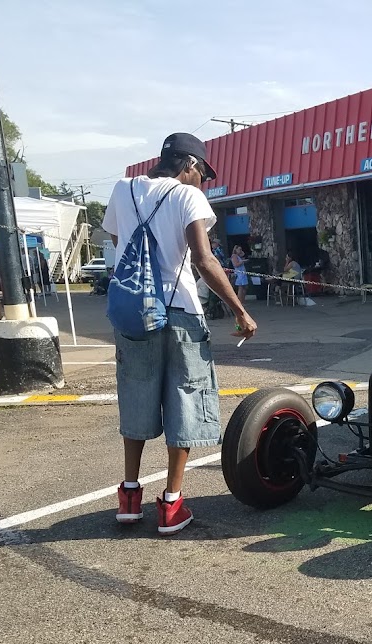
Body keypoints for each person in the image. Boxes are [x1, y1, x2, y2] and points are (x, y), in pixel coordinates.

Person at [102, 132, 257, 535]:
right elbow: (204, 260)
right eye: (202, 172)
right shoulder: (188, 197)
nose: (202, 180)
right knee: (185, 398)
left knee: (136, 393)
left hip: (133, 313)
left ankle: (130, 497)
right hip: (180, 312)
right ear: (189, 164)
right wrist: (240, 310)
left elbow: (120, 246)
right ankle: (171, 505)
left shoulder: (123, 189)